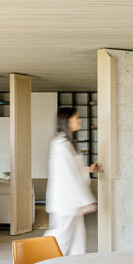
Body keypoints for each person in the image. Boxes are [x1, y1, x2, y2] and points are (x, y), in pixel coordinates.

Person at [44, 107, 99, 255]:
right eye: (76, 118)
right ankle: (41, 260)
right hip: (66, 201)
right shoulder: (61, 145)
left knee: (77, 238)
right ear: (67, 121)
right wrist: (86, 200)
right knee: (62, 237)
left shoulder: (66, 143)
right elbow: (67, 175)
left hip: (70, 201)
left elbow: (73, 169)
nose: (79, 121)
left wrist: (88, 170)